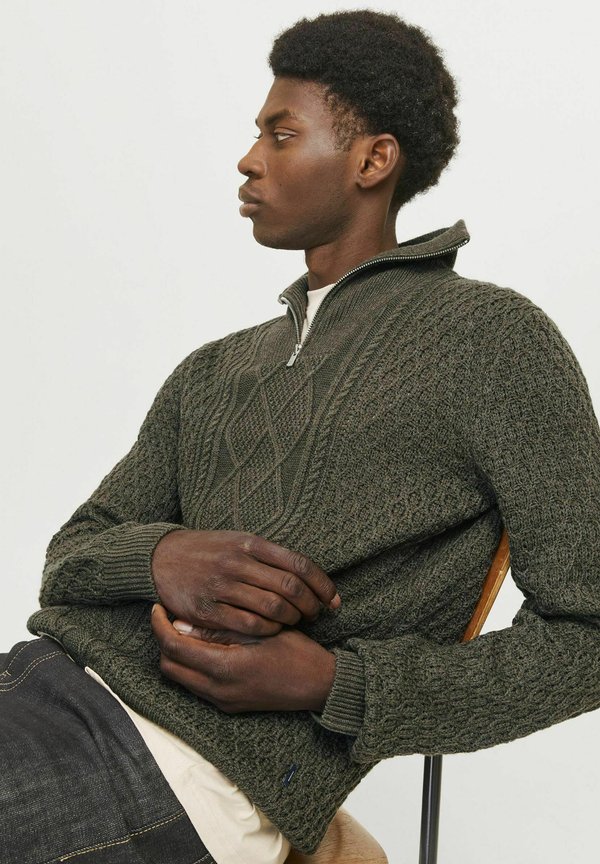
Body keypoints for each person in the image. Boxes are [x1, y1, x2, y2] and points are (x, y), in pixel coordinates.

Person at [2, 8, 600, 864]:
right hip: (36, 686)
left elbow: (589, 636)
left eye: (281, 135)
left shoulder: (491, 340)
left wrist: (337, 684)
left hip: (172, 771)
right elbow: (69, 558)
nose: (249, 159)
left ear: (372, 161)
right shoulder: (213, 370)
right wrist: (164, 556)